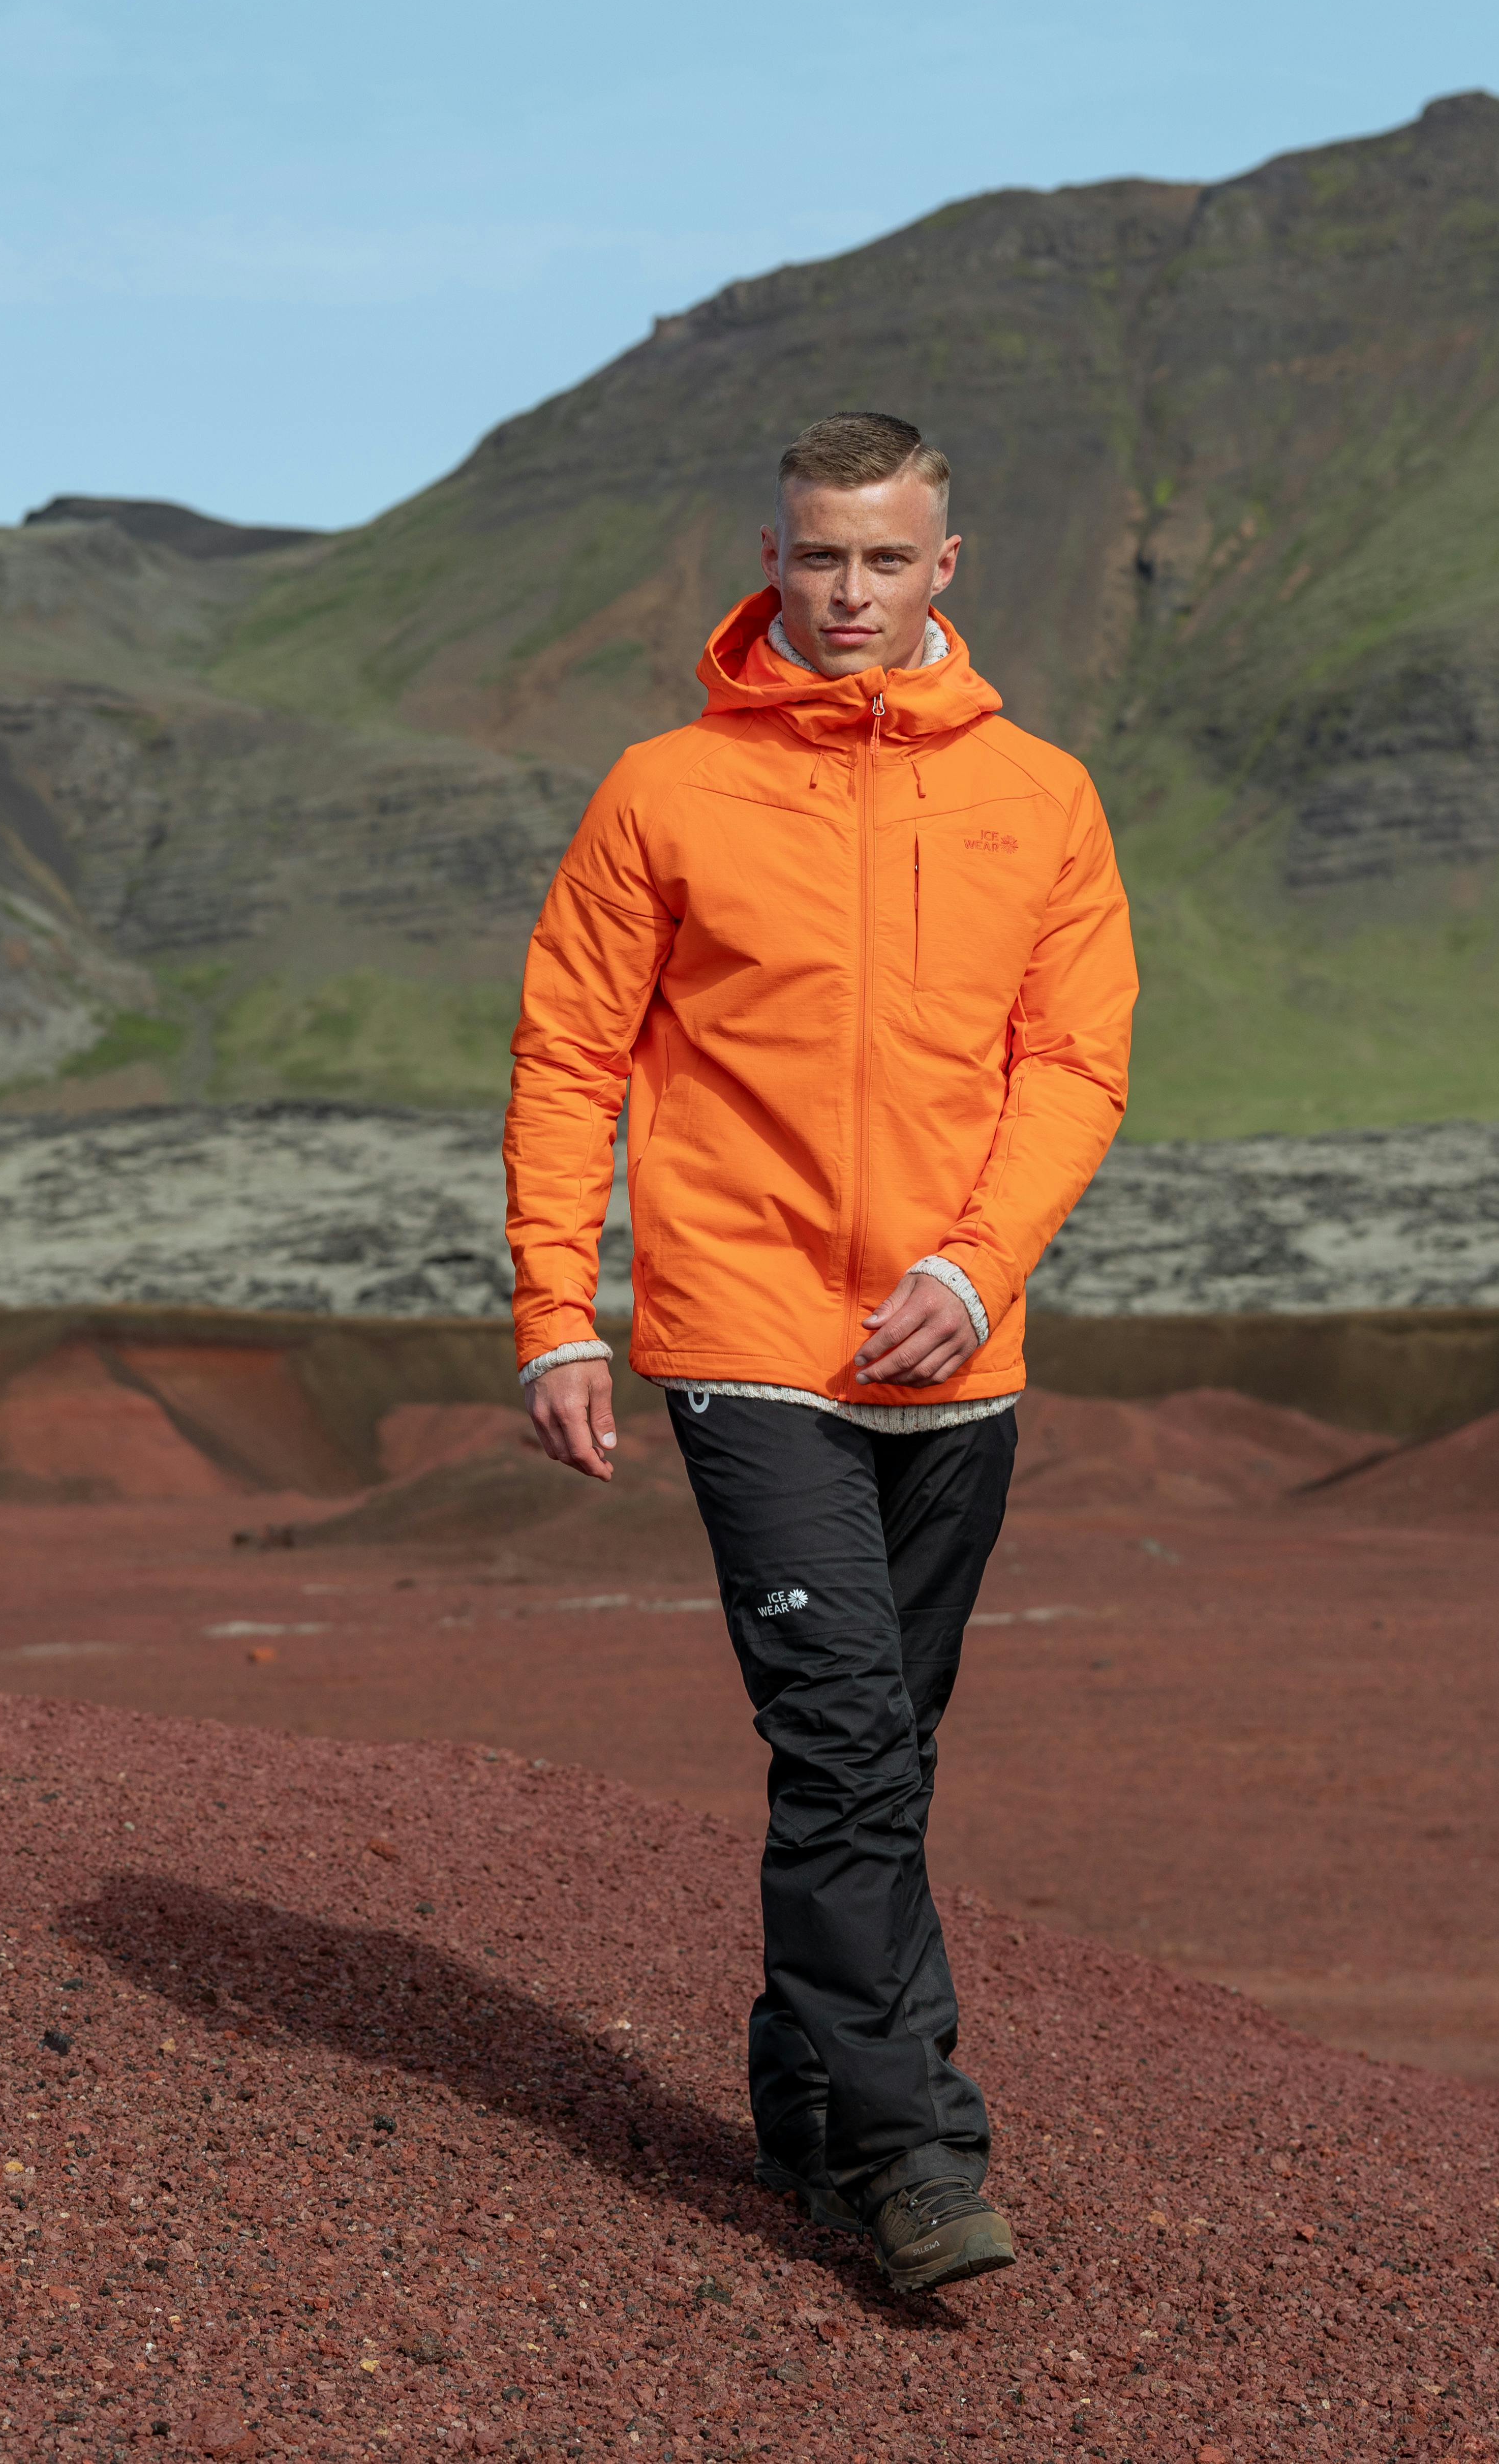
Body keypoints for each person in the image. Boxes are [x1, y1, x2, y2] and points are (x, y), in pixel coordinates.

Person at [500, 410, 1137, 2293]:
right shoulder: (664, 791)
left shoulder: (1046, 796)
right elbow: (567, 1056)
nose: (846, 593)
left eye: (883, 559)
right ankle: (915, 2150)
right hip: (749, 1330)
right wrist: (559, 1307)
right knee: (847, 1741)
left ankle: (800, 2095)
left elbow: (1076, 1063)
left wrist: (982, 1255)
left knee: (886, 1750)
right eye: (814, 557)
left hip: (960, 1352)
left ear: (950, 564)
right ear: (768, 559)